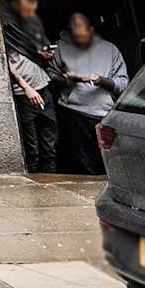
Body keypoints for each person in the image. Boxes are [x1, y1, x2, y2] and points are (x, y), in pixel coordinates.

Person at [49, 10, 129, 176]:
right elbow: (50, 75)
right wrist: (66, 80)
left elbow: (123, 84)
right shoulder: (61, 47)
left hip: (103, 114)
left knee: (107, 162)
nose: (75, 30)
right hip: (73, 112)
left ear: (91, 29)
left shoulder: (110, 50)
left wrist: (102, 81)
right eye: (72, 26)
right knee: (82, 166)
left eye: (79, 26)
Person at [1, 0, 60, 174]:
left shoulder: (28, 26)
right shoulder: (6, 26)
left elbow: (37, 48)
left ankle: (50, 178)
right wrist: (26, 87)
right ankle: (35, 179)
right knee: (32, 147)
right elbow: (5, 62)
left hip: (42, 85)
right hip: (25, 93)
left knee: (50, 143)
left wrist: (44, 54)